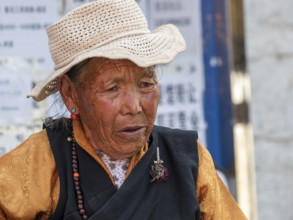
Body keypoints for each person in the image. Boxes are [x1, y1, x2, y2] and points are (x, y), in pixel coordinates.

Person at [0, 0, 247, 219]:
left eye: (146, 84)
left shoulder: (189, 161)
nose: (134, 106)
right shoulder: (41, 162)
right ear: (69, 93)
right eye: (112, 89)